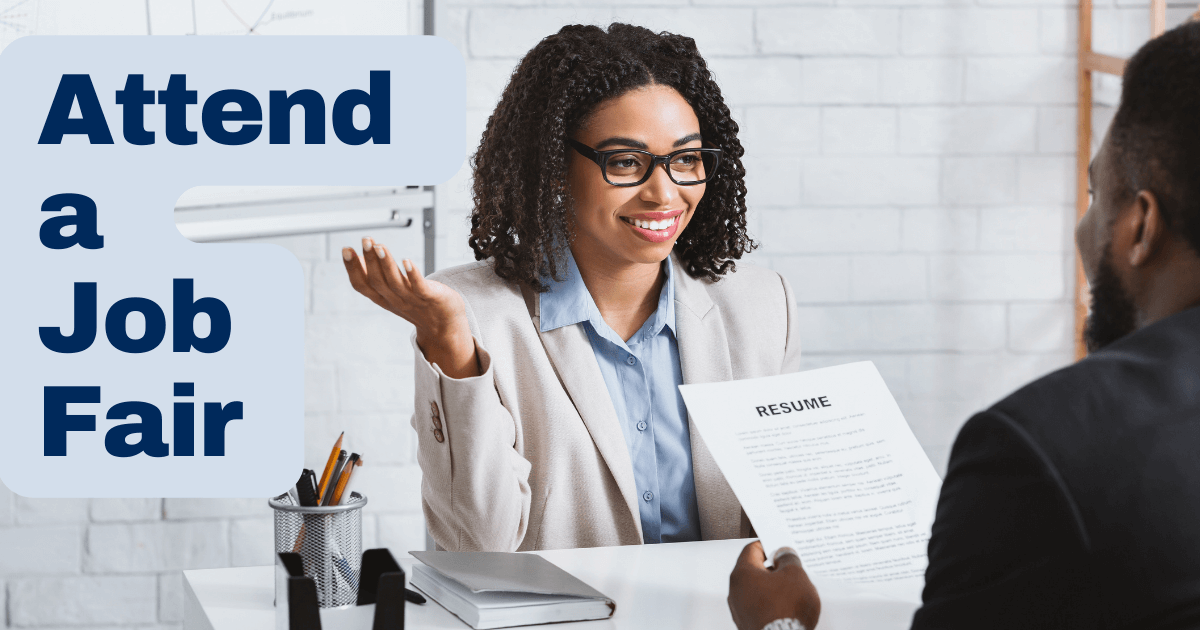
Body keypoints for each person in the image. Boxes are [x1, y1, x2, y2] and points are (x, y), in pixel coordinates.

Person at [728, 20, 1200, 630]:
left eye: (1094, 197)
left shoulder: (1036, 452)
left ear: (1140, 227)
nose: (1083, 230)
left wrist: (782, 622)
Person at [342, 23, 801, 551]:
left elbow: (785, 523)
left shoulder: (763, 306)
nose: (663, 192)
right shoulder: (474, 315)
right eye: (626, 162)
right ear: (554, 168)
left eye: (686, 160)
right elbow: (479, 547)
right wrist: (450, 346)